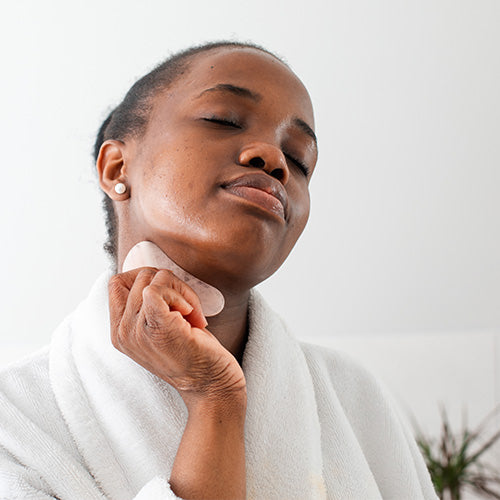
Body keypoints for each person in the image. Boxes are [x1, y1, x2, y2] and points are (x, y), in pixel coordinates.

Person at [0, 41, 438, 499]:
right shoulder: (13, 424)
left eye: (299, 159)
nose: (274, 160)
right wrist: (214, 399)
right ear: (117, 166)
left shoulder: (355, 399)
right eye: (223, 120)